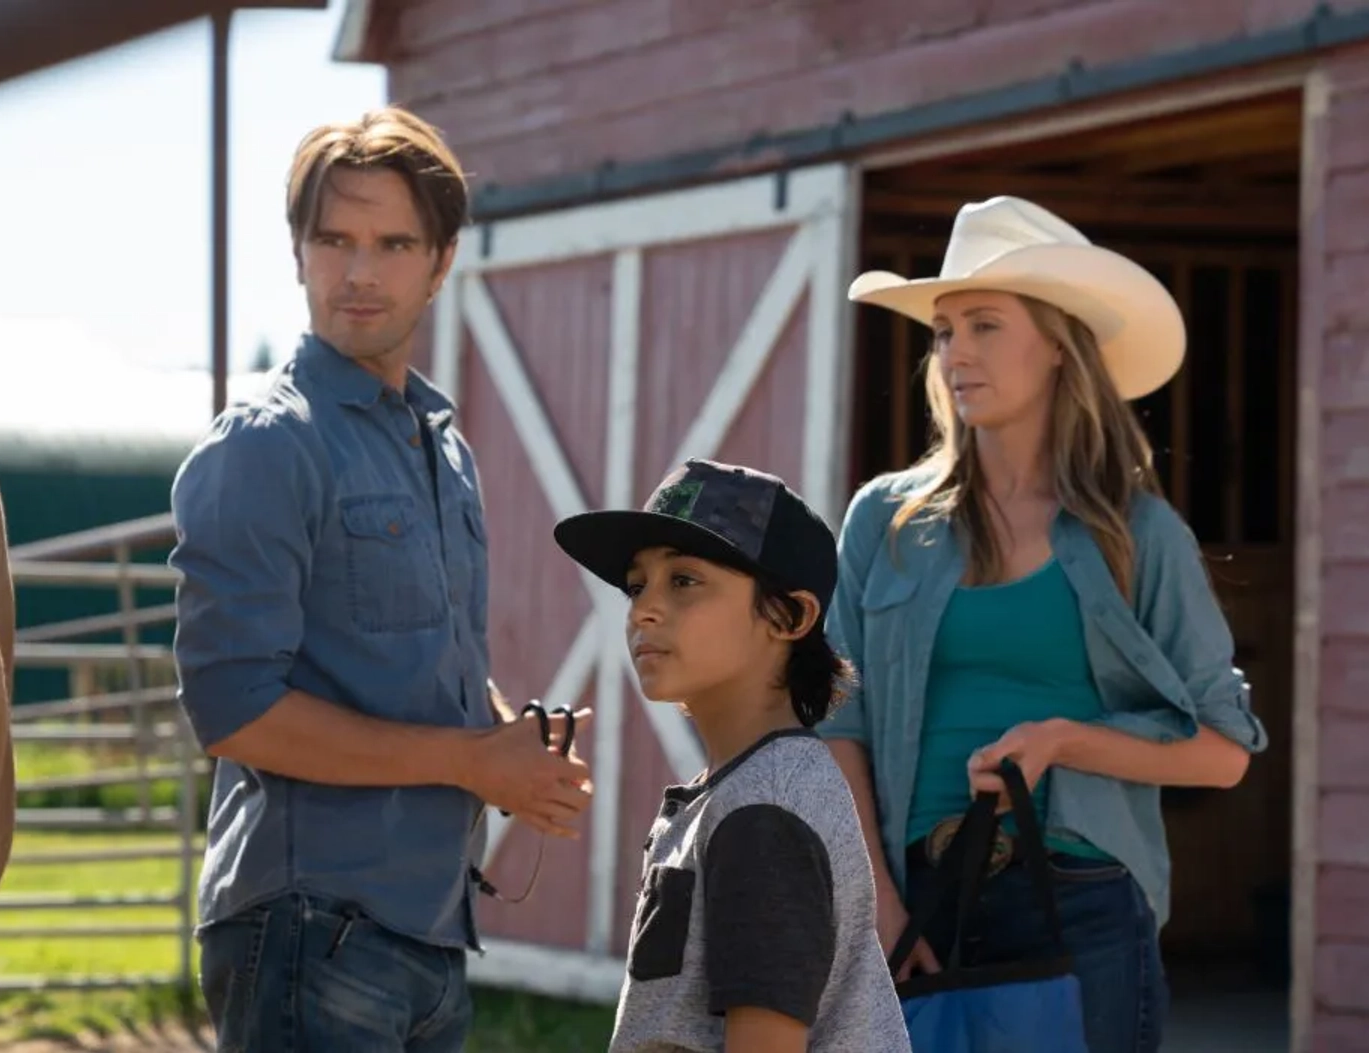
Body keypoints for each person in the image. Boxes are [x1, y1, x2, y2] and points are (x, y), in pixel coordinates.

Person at [166, 106, 595, 1053]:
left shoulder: (443, 448)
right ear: (298, 253)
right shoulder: (268, 446)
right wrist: (469, 761)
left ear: (441, 264)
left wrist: (506, 747)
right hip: (310, 927)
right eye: (335, 240)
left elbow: (413, 668)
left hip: (429, 930)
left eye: (393, 243)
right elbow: (234, 710)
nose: (359, 272)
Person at [818, 195, 1270, 1052]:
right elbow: (840, 715)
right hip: (918, 898)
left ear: (1060, 345)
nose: (956, 354)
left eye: (985, 325)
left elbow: (1223, 750)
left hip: (1083, 895)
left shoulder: (1137, 533)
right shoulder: (886, 519)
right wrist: (874, 896)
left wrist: (1064, 740)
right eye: (945, 331)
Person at [553, 458, 913, 1053]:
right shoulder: (740, 791)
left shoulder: (765, 812)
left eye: (685, 581)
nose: (643, 608)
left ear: (788, 616)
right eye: (637, 584)